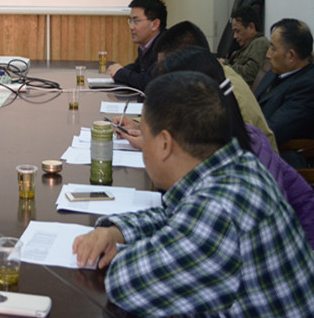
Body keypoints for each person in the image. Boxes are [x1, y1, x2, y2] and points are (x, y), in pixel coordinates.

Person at [73, 72, 314, 318]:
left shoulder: (218, 210)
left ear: (165, 144)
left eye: (146, 137)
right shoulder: (238, 166)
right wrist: (117, 231)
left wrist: (129, 257)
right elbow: (172, 214)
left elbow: (128, 283)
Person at [118, 46, 314, 249]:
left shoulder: (222, 194)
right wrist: (120, 229)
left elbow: (168, 250)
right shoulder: (233, 147)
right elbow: (174, 214)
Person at [154, 20, 277, 151]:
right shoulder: (212, 75)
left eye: (168, 72)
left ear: (189, 61)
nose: (166, 79)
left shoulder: (224, 95)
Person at [254, 18, 314, 156]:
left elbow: (273, 131)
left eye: (273, 48)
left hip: (281, 156)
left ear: (291, 56)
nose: (268, 54)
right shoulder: (275, 71)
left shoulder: (307, 87)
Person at [106, 0, 166, 91]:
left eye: (136, 21)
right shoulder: (145, 45)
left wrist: (121, 73)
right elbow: (138, 68)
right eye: (130, 21)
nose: (131, 27)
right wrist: (120, 70)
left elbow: (150, 83)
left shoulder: (166, 47)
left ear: (155, 24)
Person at [221, 5, 270, 84]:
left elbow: (249, 74)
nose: (235, 36)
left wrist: (224, 66)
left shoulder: (260, 43)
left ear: (251, 27)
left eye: (237, 31)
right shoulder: (246, 45)